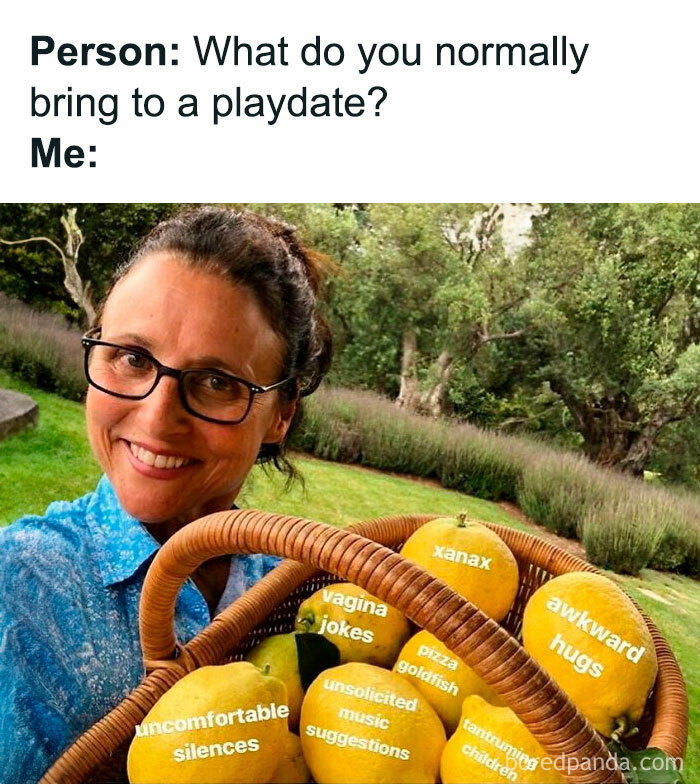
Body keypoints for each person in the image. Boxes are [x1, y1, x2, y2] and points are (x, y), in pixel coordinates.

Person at [0, 206, 332, 783]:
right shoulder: (16, 589)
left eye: (216, 382)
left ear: (281, 415)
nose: (157, 420)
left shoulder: (304, 593)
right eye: (133, 358)